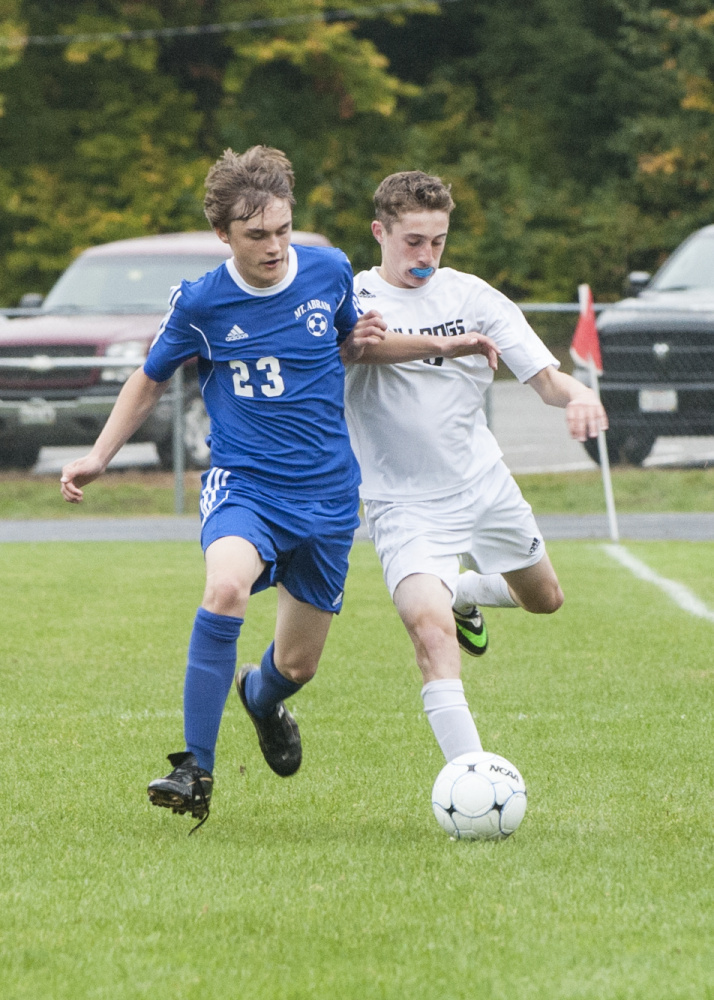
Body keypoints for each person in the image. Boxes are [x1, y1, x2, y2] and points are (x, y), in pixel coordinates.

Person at [60, 148, 499, 831]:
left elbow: (356, 345)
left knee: (296, 665)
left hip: (327, 496)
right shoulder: (202, 301)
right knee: (225, 588)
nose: (272, 246)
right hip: (247, 485)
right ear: (224, 235)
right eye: (255, 234)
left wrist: (450, 344)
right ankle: (193, 767)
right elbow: (148, 379)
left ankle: (261, 700)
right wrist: (98, 455)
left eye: (282, 230)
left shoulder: (326, 270)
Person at [344, 170, 608, 765]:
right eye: (412, 241)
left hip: (484, 486)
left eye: (437, 241)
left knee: (545, 599)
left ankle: (464, 588)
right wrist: (451, 344)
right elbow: (354, 348)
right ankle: (471, 773)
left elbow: (544, 380)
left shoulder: (474, 297)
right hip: (402, 503)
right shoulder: (353, 298)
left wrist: (581, 395)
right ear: (379, 231)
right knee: (429, 632)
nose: (426, 256)